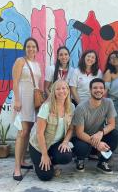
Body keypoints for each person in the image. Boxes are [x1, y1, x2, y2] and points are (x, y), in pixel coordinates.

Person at [29, 80, 75, 181]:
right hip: (39, 146)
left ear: (68, 90)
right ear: (53, 91)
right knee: (46, 176)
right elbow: (39, 133)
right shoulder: (46, 107)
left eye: (64, 88)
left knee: (66, 156)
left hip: (54, 144)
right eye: (58, 89)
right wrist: (44, 155)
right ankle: (38, 162)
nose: (61, 91)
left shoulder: (71, 107)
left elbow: (71, 128)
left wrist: (65, 142)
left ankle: (51, 162)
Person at [71, 78, 118, 174]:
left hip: (97, 135)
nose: (98, 90)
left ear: (104, 90)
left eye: (101, 88)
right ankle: (80, 160)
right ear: (90, 90)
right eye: (95, 88)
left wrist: (101, 132)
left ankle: (102, 162)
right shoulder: (81, 107)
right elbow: (79, 133)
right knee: (82, 147)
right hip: (82, 139)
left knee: (115, 134)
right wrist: (98, 144)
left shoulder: (108, 102)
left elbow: (112, 124)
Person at [12, 37, 42, 181]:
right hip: (22, 98)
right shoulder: (20, 61)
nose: (31, 49)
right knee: (21, 132)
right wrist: (17, 99)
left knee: (28, 132)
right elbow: (15, 82)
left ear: (37, 49)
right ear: (25, 48)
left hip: (33, 100)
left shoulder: (37, 64)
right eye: (28, 46)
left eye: (33, 46)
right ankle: (17, 168)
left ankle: (23, 160)